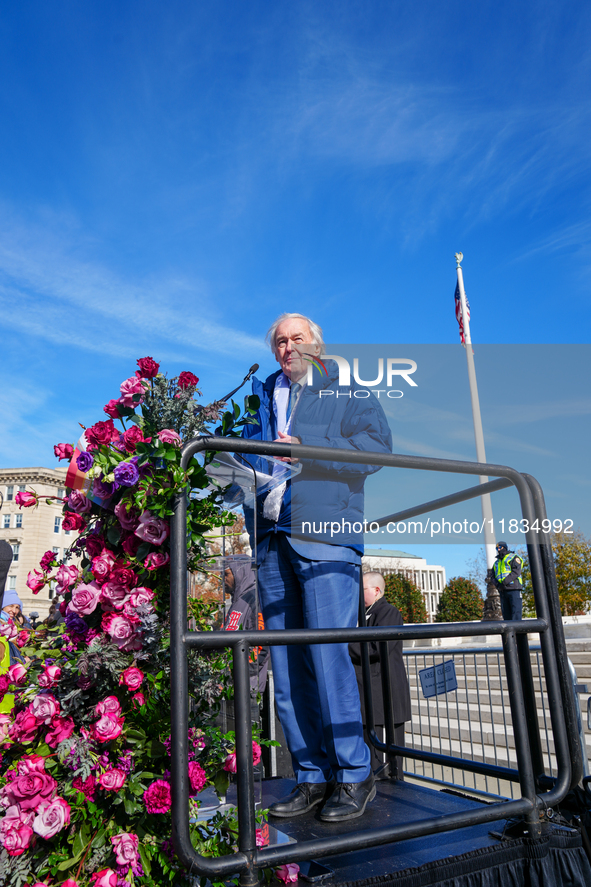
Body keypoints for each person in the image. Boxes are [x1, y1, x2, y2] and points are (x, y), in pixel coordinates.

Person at [241, 313, 392, 822]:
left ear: (316, 344)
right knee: (286, 668)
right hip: (271, 538)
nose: (288, 347)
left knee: (328, 658)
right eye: (280, 341)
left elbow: (377, 449)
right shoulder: (263, 395)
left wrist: (311, 452)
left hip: (325, 536)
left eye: (296, 338)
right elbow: (247, 460)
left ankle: (355, 774)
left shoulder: (345, 387)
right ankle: (311, 774)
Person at [349, 573, 411, 779]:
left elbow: (375, 647)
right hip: (369, 691)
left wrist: (343, 643)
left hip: (385, 690)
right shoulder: (362, 614)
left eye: (363, 589)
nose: (358, 593)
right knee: (371, 748)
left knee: (390, 753)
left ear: (376, 591)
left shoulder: (388, 613)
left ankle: (392, 786)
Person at [223, 558, 270, 697]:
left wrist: (240, 671)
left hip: (249, 689)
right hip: (234, 686)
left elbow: (262, 646)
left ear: (239, 573)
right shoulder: (238, 601)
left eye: (226, 574)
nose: (223, 579)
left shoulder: (254, 599)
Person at [492, 541, 523, 620]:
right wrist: (498, 585)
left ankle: (518, 632)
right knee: (506, 615)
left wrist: (504, 582)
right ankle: (509, 632)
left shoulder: (513, 557)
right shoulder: (496, 563)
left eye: (499, 547)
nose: (498, 550)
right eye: (497, 548)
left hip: (514, 588)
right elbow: (492, 576)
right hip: (502, 590)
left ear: (504, 547)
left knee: (516, 613)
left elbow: (516, 572)